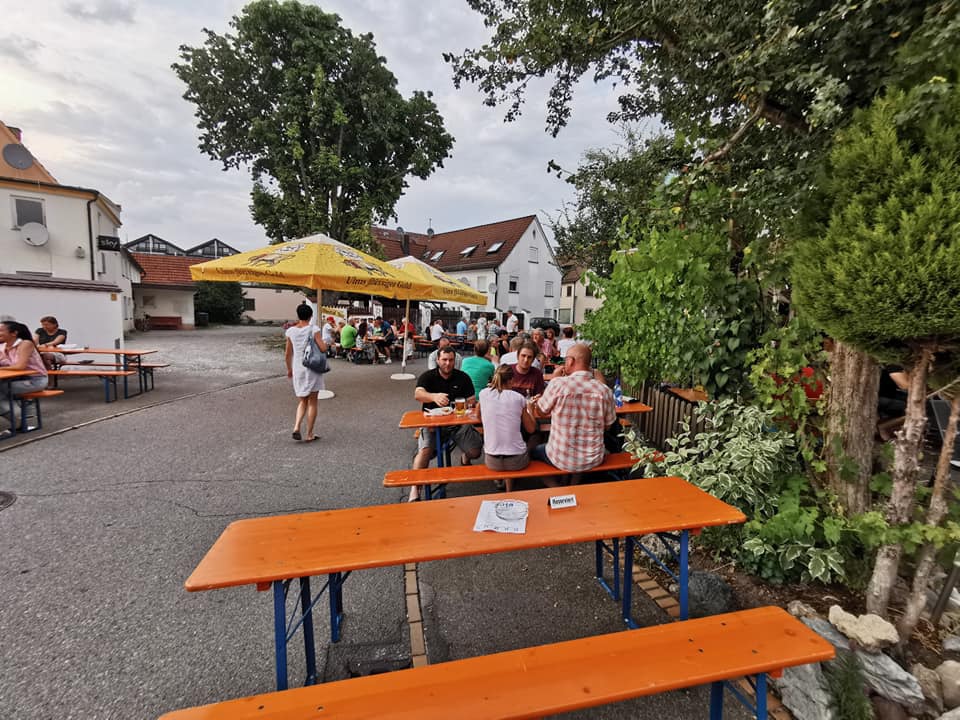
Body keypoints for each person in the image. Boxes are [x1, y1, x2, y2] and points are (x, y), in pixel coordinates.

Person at [531, 343, 615, 483]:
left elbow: (541, 412)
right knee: (579, 458)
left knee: (532, 453)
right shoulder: (604, 390)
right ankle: (573, 484)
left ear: (570, 361)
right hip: (593, 459)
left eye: (565, 360)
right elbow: (608, 426)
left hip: (560, 458)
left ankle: (558, 488)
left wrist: (554, 379)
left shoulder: (558, 384)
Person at [411, 346, 483, 500]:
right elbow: (418, 394)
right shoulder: (428, 376)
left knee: (475, 452)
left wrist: (465, 405)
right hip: (432, 423)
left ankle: (465, 457)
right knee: (425, 451)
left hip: (458, 423)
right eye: (444, 360)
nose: (448, 363)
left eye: (451, 360)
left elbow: (472, 400)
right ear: (438, 360)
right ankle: (415, 490)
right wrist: (434, 397)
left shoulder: (463, 377)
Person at [478, 363, 537, 491]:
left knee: (502, 438)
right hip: (517, 461)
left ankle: (504, 484)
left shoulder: (483, 394)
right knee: (534, 438)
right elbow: (531, 429)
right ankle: (509, 488)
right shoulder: (518, 398)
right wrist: (531, 409)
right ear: (511, 380)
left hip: (492, 461)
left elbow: (478, 416)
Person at [284, 304, 327, 442]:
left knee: (302, 401)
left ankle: (296, 427)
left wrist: (289, 369)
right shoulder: (314, 329)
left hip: (298, 368)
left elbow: (287, 354)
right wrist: (326, 344)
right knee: (313, 402)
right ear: (311, 316)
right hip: (312, 367)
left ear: (298, 315)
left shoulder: (290, 331)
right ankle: (309, 434)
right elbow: (323, 348)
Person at [0, 320, 49, 435]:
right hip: (16, 379)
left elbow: (20, 366)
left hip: (35, 380)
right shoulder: (3, 346)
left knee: (1, 389)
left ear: (14, 333)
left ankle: (19, 421)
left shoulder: (25, 344)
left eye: (1, 330)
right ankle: (19, 419)